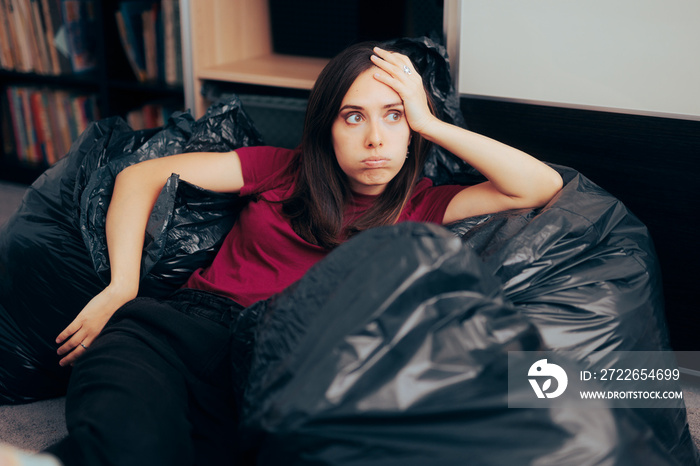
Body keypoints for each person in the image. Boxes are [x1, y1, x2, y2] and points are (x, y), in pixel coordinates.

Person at [0, 41, 562, 465]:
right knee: (127, 427)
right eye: (353, 116)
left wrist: (429, 119)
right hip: (176, 333)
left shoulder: (426, 204)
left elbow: (537, 186)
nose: (375, 139)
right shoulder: (279, 169)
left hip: (283, 360)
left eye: (393, 117)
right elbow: (142, 176)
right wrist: (122, 288)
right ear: (327, 128)